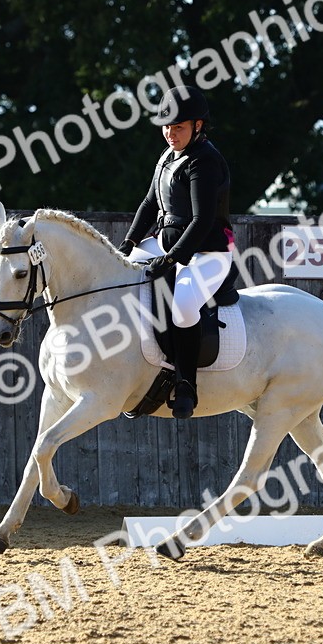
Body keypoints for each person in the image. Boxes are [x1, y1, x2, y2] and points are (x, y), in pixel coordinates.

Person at [119, 85, 234, 419]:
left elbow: (202, 220)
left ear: (198, 126)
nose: (171, 133)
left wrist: (171, 259)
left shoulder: (205, 161)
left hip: (207, 253)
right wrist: (127, 244)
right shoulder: (168, 156)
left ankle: (186, 384)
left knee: (183, 305)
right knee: (119, 273)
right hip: (166, 244)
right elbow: (149, 203)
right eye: (167, 126)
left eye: (179, 127)